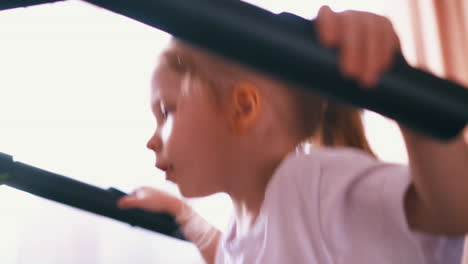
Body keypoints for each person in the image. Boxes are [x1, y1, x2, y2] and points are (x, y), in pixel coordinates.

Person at [117, 6, 468, 264]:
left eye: (166, 111)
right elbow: (225, 252)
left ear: (242, 109)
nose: (152, 139)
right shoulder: (242, 225)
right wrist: (182, 213)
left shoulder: (312, 184)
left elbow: (455, 210)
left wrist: (400, 88)